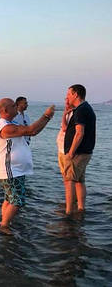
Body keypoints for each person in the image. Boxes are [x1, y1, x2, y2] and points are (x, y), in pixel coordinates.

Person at [0, 98, 55, 234]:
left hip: (15, 169)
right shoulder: (5, 127)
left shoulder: (10, 122)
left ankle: (4, 221)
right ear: (5, 110)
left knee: (9, 198)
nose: (16, 107)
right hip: (10, 170)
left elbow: (32, 131)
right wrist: (46, 116)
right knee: (18, 200)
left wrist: (46, 118)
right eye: (13, 105)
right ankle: (4, 225)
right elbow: (31, 130)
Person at [62, 84, 96, 215]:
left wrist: (71, 152)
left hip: (78, 152)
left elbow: (79, 133)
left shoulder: (81, 110)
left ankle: (69, 212)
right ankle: (81, 209)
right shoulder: (86, 108)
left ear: (76, 94)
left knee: (69, 180)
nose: (67, 97)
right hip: (85, 151)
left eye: (69, 94)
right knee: (79, 180)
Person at [56, 97, 73, 179]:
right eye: (65, 100)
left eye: (67, 99)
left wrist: (64, 115)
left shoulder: (73, 113)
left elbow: (64, 128)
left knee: (68, 178)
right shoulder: (68, 113)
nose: (66, 101)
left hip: (66, 150)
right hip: (61, 149)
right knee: (65, 176)